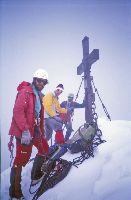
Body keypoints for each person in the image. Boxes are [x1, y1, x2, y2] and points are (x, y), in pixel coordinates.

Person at [8, 69, 49, 200]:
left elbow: (38, 115)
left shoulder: (38, 95)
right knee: (21, 160)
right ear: (34, 80)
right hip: (23, 131)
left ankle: (35, 176)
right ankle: (15, 192)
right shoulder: (26, 91)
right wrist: (25, 130)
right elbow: (18, 111)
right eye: (39, 80)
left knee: (44, 148)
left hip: (35, 129)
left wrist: (41, 129)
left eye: (44, 82)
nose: (41, 83)